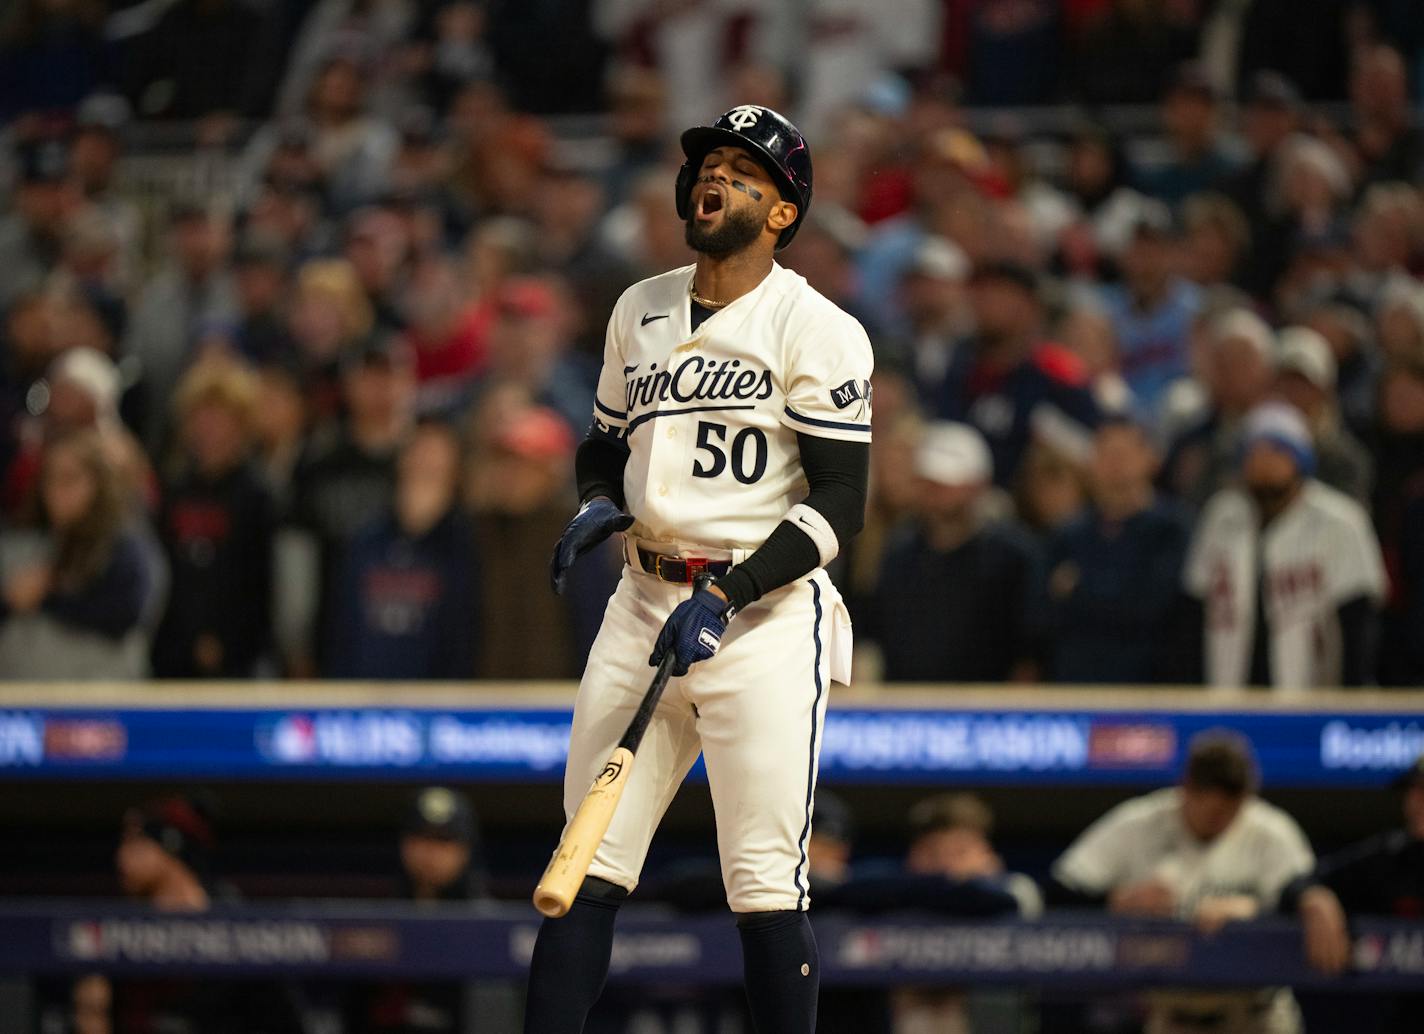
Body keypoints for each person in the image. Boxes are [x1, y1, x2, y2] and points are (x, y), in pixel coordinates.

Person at [526, 104, 871, 1034]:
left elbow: (839, 503)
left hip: (760, 617)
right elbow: (604, 444)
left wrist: (731, 593)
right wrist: (599, 499)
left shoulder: (818, 327)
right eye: (709, 163)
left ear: (782, 211)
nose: (716, 177)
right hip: (642, 603)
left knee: (762, 879)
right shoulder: (638, 307)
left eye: (743, 171)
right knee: (585, 860)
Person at [1050, 731, 1314, 1034]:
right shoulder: (1141, 823)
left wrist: (1257, 910)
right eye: (1211, 807)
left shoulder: (1271, 831)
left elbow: (1310, 896)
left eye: (1231, 808)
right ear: (1186, 789)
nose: (1220, 819)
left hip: (1256, 1017)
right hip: (1173, 1018)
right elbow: (1060, 887)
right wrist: (1117, 900)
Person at [1181, 402, 1386, 689]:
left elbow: (1358, 621)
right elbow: (1193, 610)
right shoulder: (1221, 515)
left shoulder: (1341, 520)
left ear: (1301, 460)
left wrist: (1350, 699)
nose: (1265, 463)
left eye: (1278, 451)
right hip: (1230, 690)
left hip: (1314, 697)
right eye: (1256, 452)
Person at [869, 421, 1042, 682]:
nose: (935, 492)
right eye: (928, 481)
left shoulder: (1013, 557)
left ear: (978, 485)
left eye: (947, 482)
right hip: (907, 708)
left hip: (988, 710)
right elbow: (877, 635)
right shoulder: (900, 554)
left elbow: (1031, 651)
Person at [324, 420, 479, 679]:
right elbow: (340, 631)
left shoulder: (468, 545)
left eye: (435, 455)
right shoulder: (365, 542)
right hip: (362, 702)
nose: (424, 461)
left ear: (455, 471)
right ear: (402, 461)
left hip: (437, 705)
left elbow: (467, 638)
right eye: (418, 451)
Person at [151, 360, 275, 678]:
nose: (209, 427)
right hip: (171, 652)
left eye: (221, 417)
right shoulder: (174, 490)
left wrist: (231, 640)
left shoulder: (258, 495)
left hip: (238, 658)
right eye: (200, 416)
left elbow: (262, 583)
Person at [1045, 414, 1191, 683]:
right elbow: (1046, 615)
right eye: (1105, 453)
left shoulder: (1173, 530)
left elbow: (1154, 607)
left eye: (1123, 454)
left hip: (1151, 687)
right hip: (1077, 684)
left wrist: (1079, 589)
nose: (1114, 464)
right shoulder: (1068, 534)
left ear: (1151, 459)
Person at [0, 431, 155, 679]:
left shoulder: (124, 547)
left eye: (69, 480)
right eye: (49, 480)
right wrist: (9, 599)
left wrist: (47, 596)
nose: (56, 492)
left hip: (98, 699)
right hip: (24, 700)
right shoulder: (23, 544)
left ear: (99, 484)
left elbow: (123, 612)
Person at [931, 260, 1099, 489]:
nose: (988, 304)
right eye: (982, 294)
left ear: (1030, 307)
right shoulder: (957, 369)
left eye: (1001, 295)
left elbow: (1090, 446)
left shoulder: (1053, 374)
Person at [1273, 325, 1373, 505]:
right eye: (1284, 382)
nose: (1292, 393)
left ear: (1324, 392)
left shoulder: (1344, 460)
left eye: (1303, 385)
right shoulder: (1246, 448)